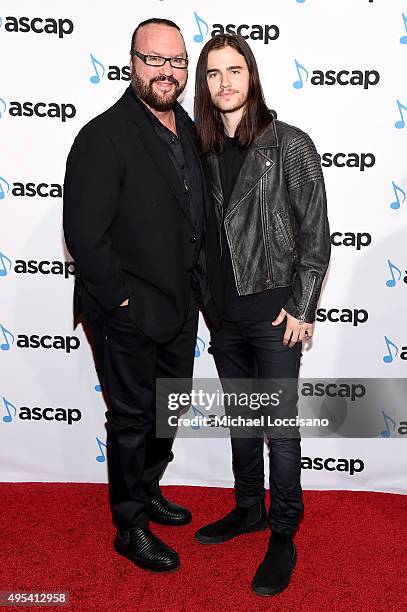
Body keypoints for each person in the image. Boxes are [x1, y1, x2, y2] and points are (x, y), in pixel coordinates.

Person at [63, 18, 215, 573]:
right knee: (130, 419)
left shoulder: (191, 130)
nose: (167, 72)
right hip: (127, 312)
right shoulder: (103, 136)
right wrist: (120, 303)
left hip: (181, 305)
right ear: (132, 63)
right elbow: (84, 233)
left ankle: (149, 490)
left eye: (176, 61)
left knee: (166, 412)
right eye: (155, 60)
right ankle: (129, 527)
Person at [193, 34, 331, 596]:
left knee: (279, 427)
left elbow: (315, 235)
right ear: (203, 84)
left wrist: (302, 307)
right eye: (212, 73)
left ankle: (283, 527)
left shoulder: (290, 145)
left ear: (251, 76)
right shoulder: (197, 151)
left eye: (234, 70)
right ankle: (248, 507)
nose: (224, 82)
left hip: (275, 315)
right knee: (244, 421)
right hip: (223, 315)